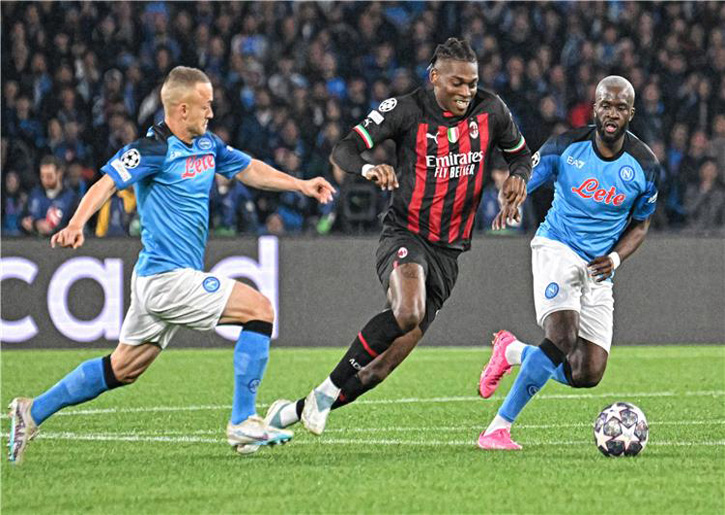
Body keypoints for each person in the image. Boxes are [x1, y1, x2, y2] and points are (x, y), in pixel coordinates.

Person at [8, 66, 336, 464]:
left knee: (123, 369)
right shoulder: (153, 149)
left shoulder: (208, 144)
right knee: (260, 309)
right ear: (182, 109)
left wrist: (300, 184)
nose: (211, 112)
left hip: (159, 279)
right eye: (205, 105)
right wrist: (77, 224)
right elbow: (107, 182)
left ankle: (32, 410)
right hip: (166, 278)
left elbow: (249, 168)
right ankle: (242, 420)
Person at [264, 38, 532, 436]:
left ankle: (288, 413)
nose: (466, 92)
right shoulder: (405, 110)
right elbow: (344, 150)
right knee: (408, 312)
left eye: (472, 83)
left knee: (379, 369)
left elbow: (521, 155)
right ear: (435, 77)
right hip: (407, 234)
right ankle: (327, 390)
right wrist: (369, 169)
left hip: (449, 255)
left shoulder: (492, 110)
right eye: (457, 83)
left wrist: (518, 177)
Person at [476, 76, 659, 450]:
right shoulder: (565, 146)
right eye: (606, 105)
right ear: (594, 109)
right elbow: (525, 174)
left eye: (620, 108)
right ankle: (497, 429)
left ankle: (512, 351)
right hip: (557, 247)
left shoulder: (645, 166)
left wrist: (614, 258)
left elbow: (641, 224)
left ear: (631, 114)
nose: (612, 114)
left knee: (586, 372)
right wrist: (513, 195)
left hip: (598, 266)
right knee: (562, 336)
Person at [20, 155, 78, 237]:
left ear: (59, 173)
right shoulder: (34, 194)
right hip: (34, 241)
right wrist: (34, 224)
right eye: (42, 176)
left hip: (60, 242)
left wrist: (54, 229)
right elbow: (22, 219)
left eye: (49, 176)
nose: (45, 180)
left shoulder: (71, 198)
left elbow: (76, 226)